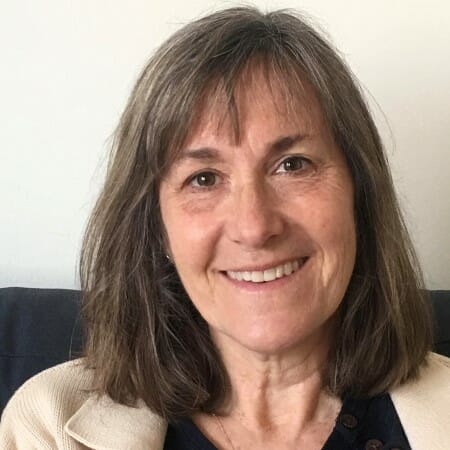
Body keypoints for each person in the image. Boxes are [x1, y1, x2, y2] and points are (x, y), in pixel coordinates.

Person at [1, 6, 449, 450]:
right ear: (156, 226)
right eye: (204, 178)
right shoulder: (49, 427)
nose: (254, 227)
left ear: (360, 192)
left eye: (293, 165)